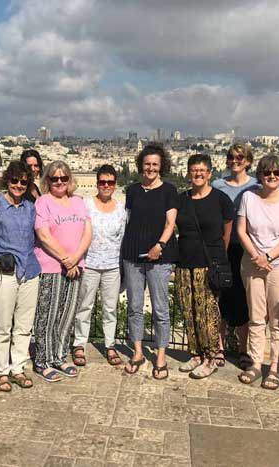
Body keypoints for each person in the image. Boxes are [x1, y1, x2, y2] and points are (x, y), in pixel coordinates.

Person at [236, 155, 279, 390]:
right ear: (260, 175)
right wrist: (257, 257)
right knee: (255, 316)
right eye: (267, 173)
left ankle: (274, 367)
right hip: (252, 262)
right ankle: (255, 363)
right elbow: (241, 230)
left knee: (277, 318)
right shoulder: (248, 197)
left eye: (277, 173)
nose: (272, 177)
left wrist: (268, 257)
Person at [120, 143, 178, 380]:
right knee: (134, 307)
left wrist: (159, 246)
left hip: (159, 257)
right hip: (133, 255)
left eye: (155, 164)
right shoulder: (132, 190)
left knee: (161, 309)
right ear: (141, 166)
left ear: (161, 166)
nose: (151, 168)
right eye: (147, 164)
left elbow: (170, 224)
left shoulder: (169, 191)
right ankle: (137, 353)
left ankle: (161, 356)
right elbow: (129, 220)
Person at [0, 161, 41, 391]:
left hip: (30, 269)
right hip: (5, 271)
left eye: (23, 182)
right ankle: (2, 371)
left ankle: (18, 367)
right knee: (3, 324)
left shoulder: (30, 207)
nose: (18, 185)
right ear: (7, 180)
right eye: (14, 180)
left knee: (24, 325)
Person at [33, 161, 92, 382]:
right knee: (47, 314)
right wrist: (66, 259)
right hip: (51, 266)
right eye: (54, 178)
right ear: (47, 181)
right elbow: (43, 234)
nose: (59, 182)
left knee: (67, 314)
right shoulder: (43, 202)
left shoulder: (78, 202)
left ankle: (59, 356)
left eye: (63, 178)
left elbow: (88, 232)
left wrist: (75, 258)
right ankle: (43, 360)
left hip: (77, 266)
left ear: (70, 180)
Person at [175, 154, 233, 379]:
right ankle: (196, 354)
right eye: (194, 170)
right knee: (189, 311)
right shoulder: (182, 199)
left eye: (202, 170)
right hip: (184, 262)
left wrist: (219, 258)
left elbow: (227, 232)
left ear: (209, 173)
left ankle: (211, 357)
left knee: (207, 313)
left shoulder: (220, 199)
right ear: (189, 173)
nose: (198, 174)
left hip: (208, 265)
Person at [211, 143, 260, 369]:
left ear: (248, 161)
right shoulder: (218, 185)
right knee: (219, 298)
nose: (234, 160)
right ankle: (219, 348)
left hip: (244, 248)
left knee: (242, 300)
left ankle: (243, 349)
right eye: (231, 157)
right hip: (221, 247)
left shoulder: (256, 187)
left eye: (240, 157)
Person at [72, 164, 126, 367]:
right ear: (97, 183)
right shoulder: (86, 204)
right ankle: (79, 345)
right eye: (102, 182)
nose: (106, 185)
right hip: (89, 264)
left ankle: (110, 346)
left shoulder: (121, 208)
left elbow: (122, 237)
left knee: (110, 308)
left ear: (115, 184)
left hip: (112, 265)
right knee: (84, 306)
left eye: (110, 182)